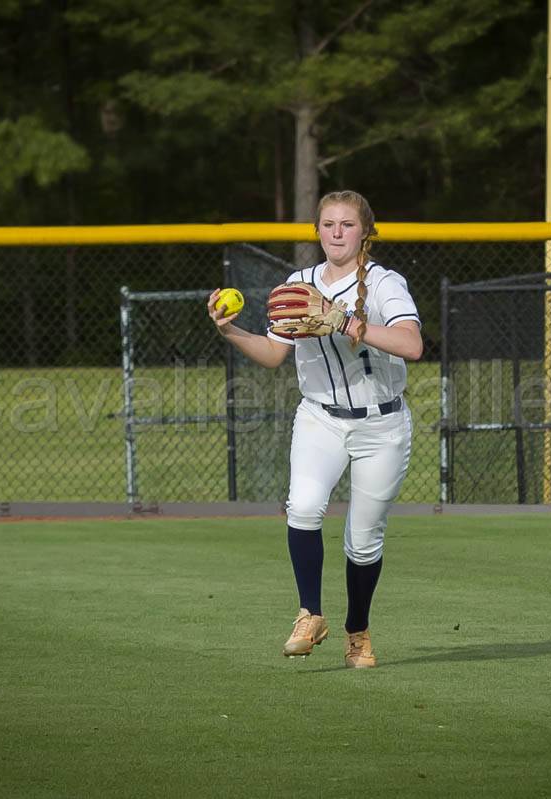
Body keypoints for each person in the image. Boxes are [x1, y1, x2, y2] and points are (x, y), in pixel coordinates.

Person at [207, 190, 422, 668]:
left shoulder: (385, 284)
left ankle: (357, 633)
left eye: (347, 224)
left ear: (365, 231)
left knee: (362, 541)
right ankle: (310, 614)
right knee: (302, 506)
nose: (337, 233)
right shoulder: (298, 283)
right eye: (328, 224)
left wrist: (345, 321)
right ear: (318, 231)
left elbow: (412, 345)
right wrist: (231, 332)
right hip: (320, 417)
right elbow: (274, 354)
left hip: (381, 424)